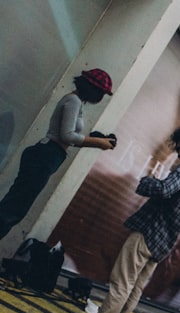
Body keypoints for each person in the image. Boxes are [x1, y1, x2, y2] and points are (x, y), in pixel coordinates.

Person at [72, 127, 180, 313]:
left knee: (122, 281)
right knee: (136, 288)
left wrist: (148, 181)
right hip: (165, 241)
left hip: (149, 231)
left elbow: (165, 190)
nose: (178, 153)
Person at [0, 69, 116, 240]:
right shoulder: (73, 101)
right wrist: (97, 142)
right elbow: (67, 135)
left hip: (48, 156)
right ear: (93, 90)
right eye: (100, 93)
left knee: (15, 207)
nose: (100, 98)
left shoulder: (77, 102)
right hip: (45, 156)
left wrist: (95, 139)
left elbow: (67, 137)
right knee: (13, 210)